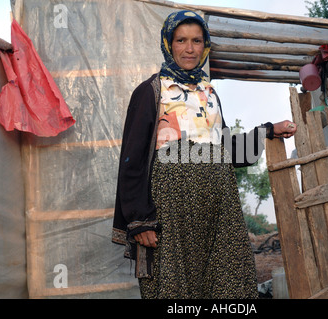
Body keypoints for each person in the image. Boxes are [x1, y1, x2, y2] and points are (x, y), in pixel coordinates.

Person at [112, 10, 297, 299]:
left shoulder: (209, 94)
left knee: (228, 282)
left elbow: (225, 149)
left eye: (196, 41)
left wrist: (269, 130)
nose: (189, 48)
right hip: (171, 211)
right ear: (168, 43)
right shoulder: (152, 92)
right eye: (181, 40)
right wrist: (140, 220)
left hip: (219, 208)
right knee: (173, 288)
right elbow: (131, 161)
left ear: (205, 45)